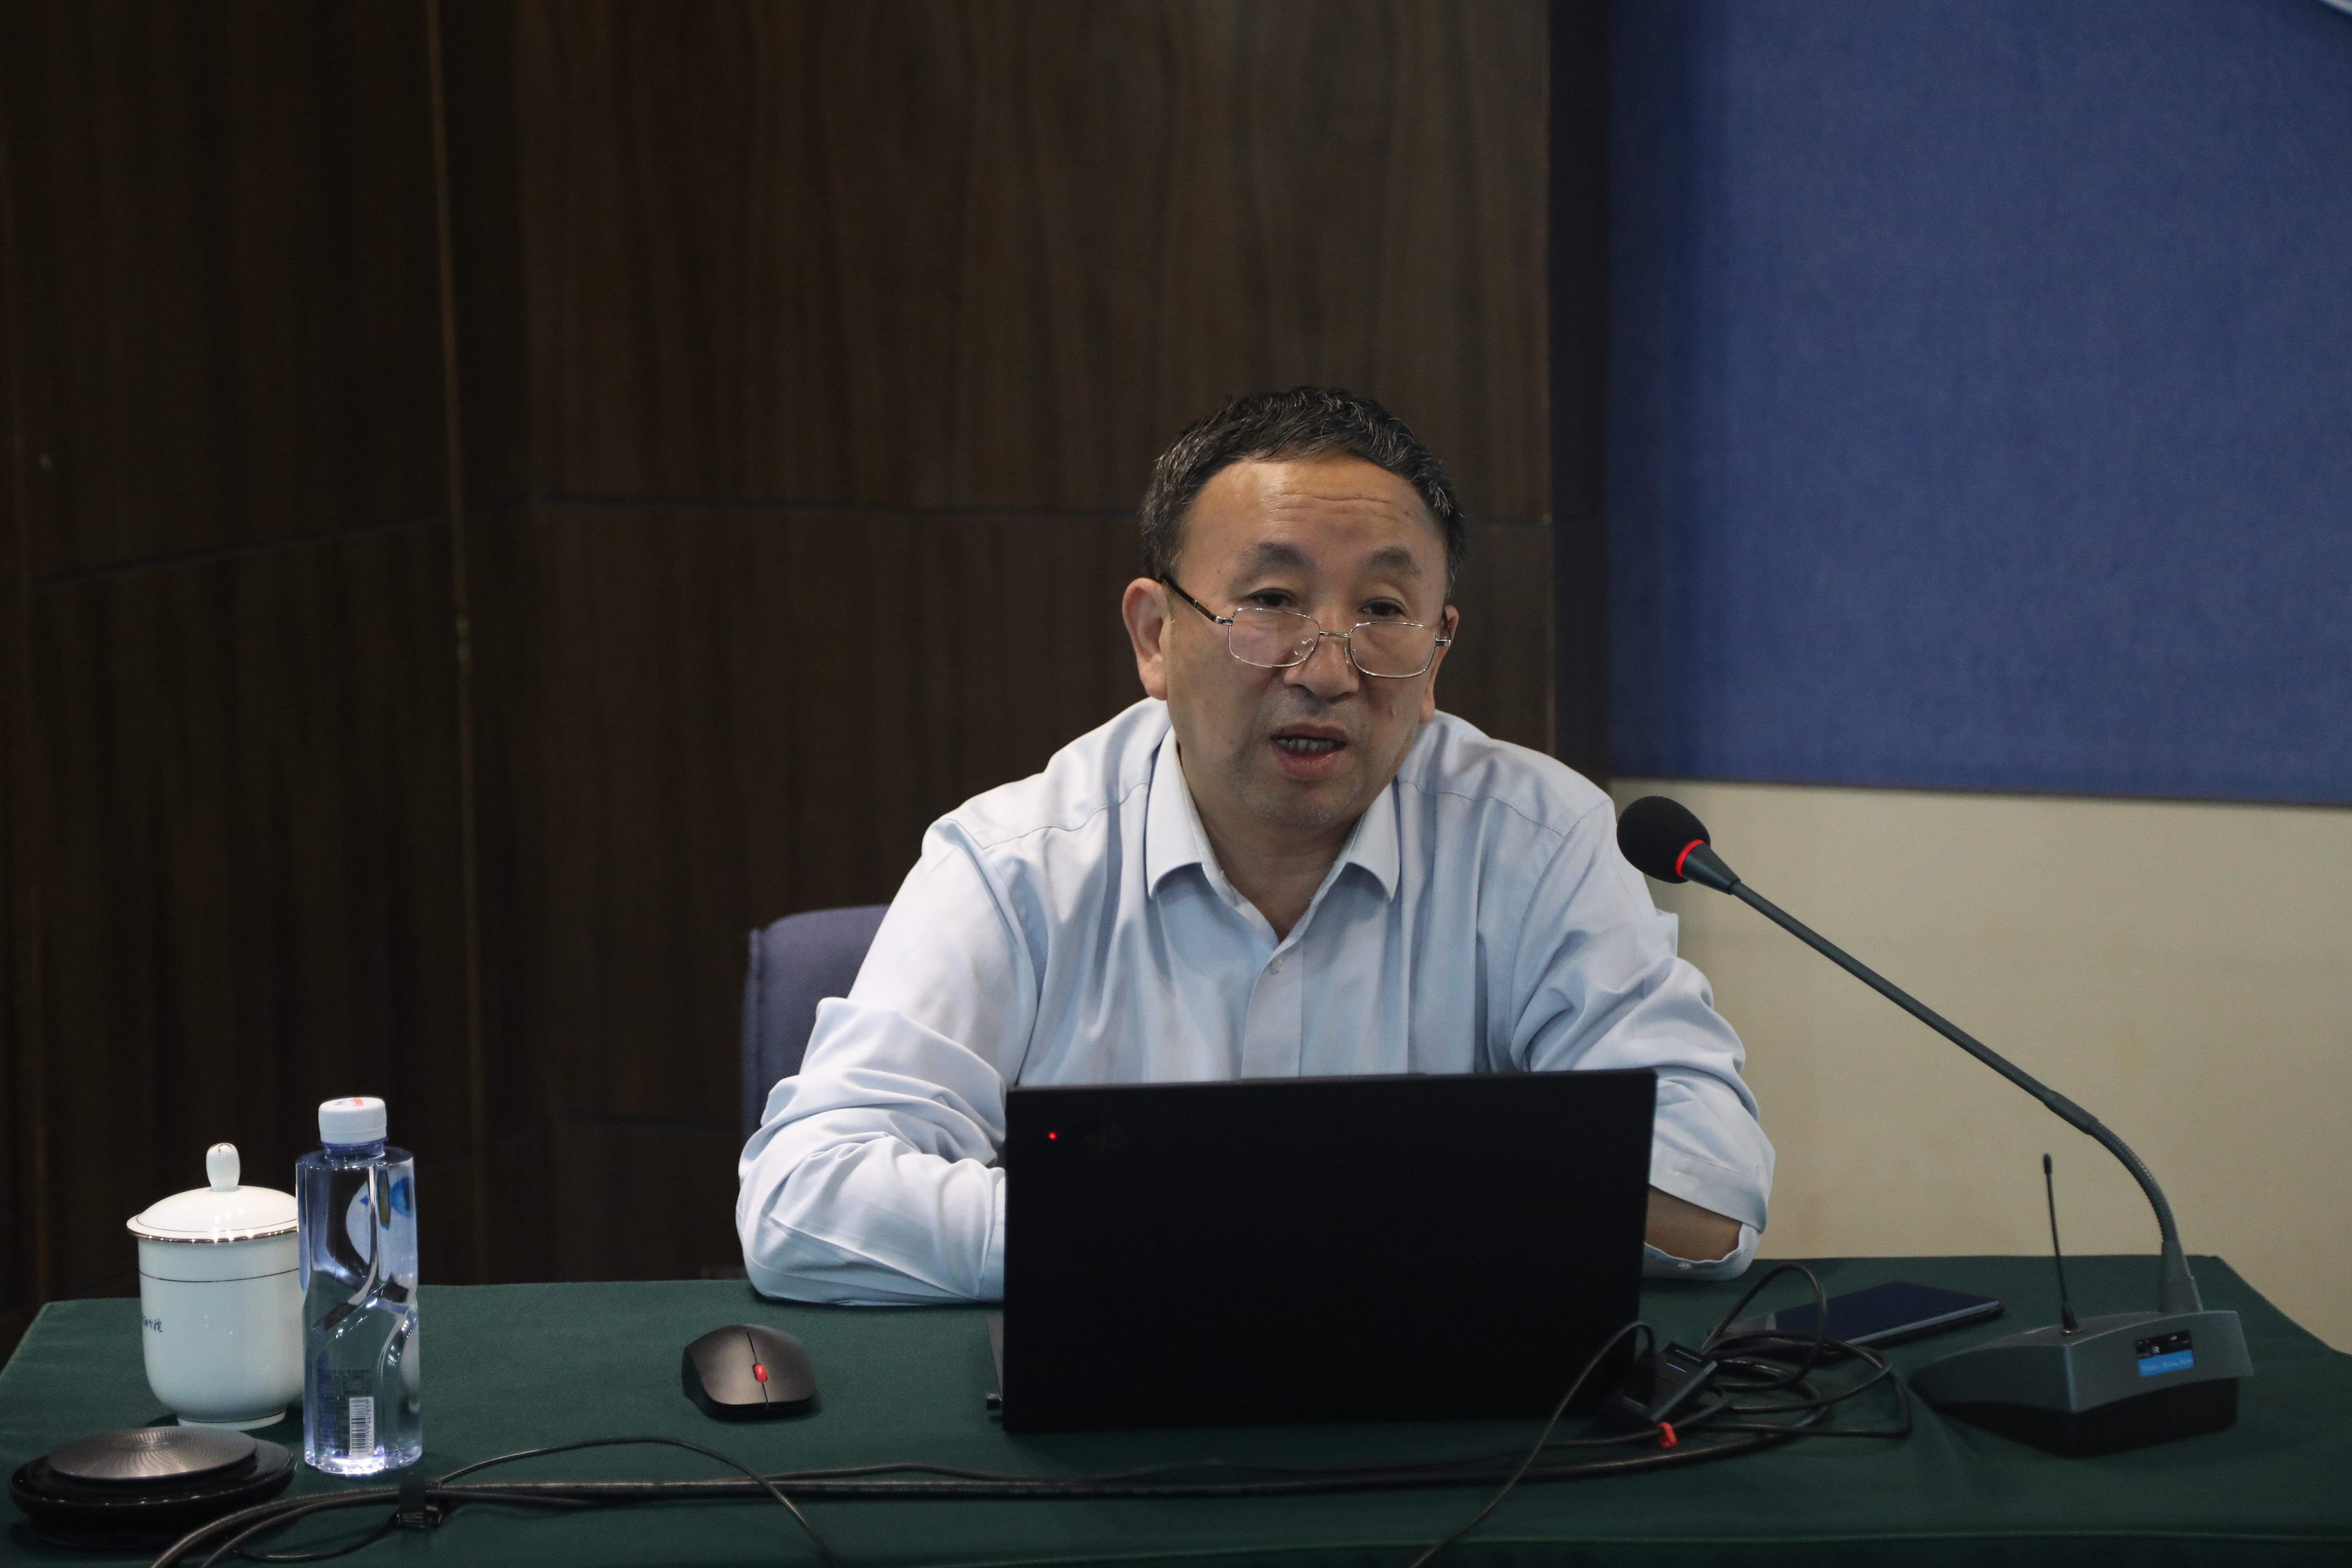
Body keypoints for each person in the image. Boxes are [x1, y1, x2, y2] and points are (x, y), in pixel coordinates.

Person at [737, 388, 1772, 1304]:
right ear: (1156, 636)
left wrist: (1323, 1217)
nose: (1327, 670)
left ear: (1435, 656)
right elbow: (804, 1198)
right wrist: (1190, 1235)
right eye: (1273, 603)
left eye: (1383, 611)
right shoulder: (1015, 863)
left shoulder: (1537, 844)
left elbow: (1711, 1190)